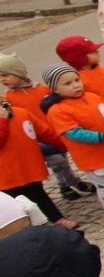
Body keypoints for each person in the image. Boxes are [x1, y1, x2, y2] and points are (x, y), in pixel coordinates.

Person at [41, 62, 104, 224]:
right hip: (92, 156)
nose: (75, 85)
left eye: (76, 80)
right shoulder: (57, 110)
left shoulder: (93, 97)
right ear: (55, 89)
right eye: (67, 83)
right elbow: (75, 133)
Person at [0, 52, 92, 204]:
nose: (2, 80)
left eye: (5, 75)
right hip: (31, 141)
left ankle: (68, 183)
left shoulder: (43, 90)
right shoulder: (8, 98)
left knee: (62, 161)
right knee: (57, 162)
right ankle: (69, 185)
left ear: (19, 73)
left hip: (51, 134)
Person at [0, 93, 77, 228]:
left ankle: (57, 218)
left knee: (39, 195)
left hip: (28, 168)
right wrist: (3, 122)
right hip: (7, 176)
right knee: (16, 203)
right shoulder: (5, 120)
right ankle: (27, 228)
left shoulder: (21, 113)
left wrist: (65, 145)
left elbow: (45, 132)